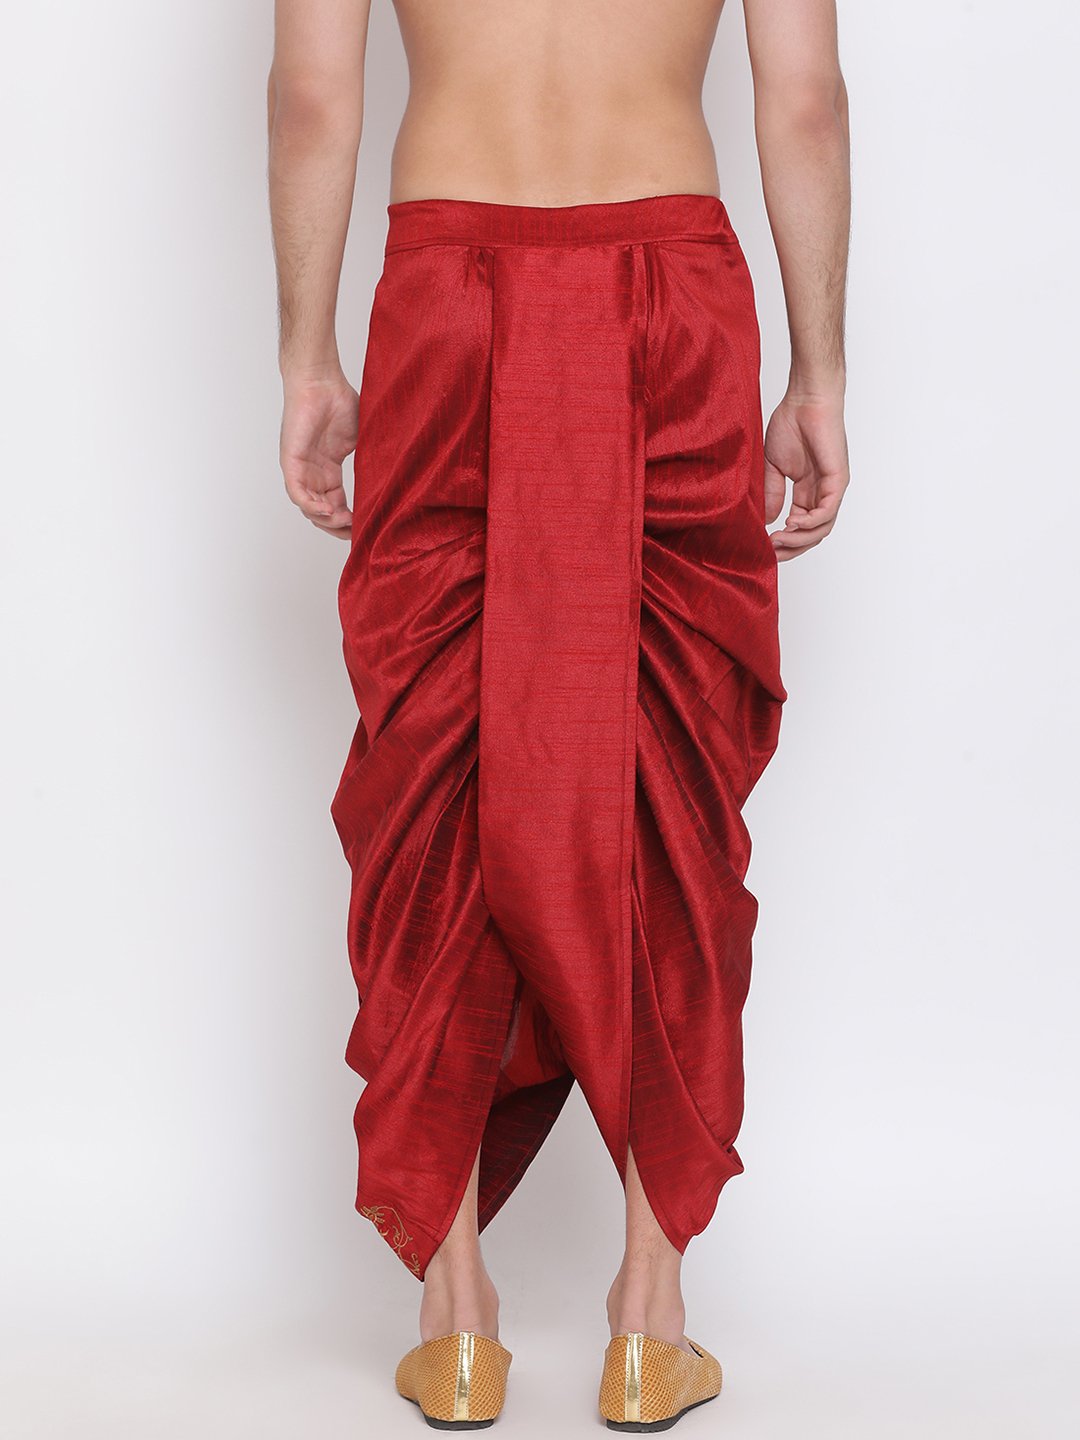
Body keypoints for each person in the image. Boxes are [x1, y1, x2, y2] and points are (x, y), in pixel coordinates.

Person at [268, 0, 849, 1428]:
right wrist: (820, 372)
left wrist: (307, 358)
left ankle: (456, 1315)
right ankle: (650, 1319)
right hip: (672, 287)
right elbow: (803, 98)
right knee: (666, 775)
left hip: (444, 284)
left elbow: (313, 93)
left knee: (440, 764)